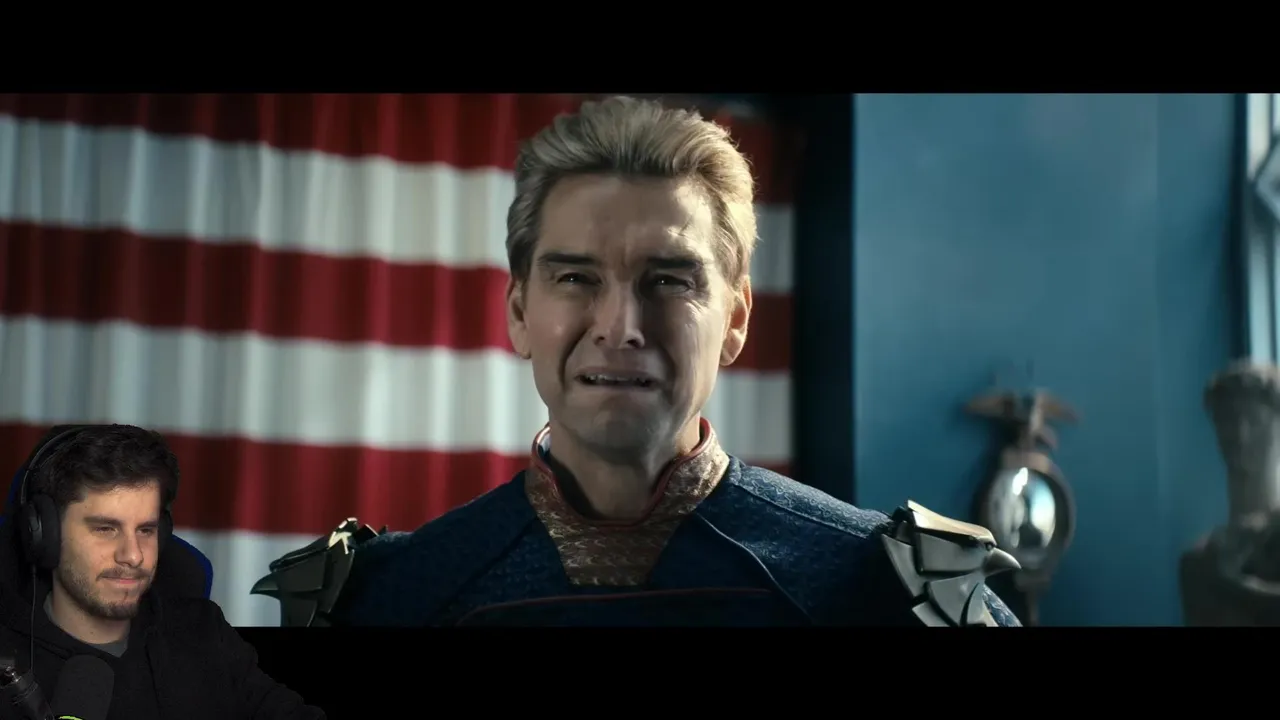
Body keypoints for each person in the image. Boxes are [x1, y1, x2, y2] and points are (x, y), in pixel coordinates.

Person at [252, 96, 1023, 627]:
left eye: (668, 280)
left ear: (736, 319)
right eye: (576, 278)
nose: (621, 327)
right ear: (519, 312)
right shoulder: (387, 598)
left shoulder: (884, 591)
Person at [0, 424, 326, 719]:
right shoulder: (9, 663)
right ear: (44, 535)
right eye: (105, 529)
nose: (133, 555)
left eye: (146, 530)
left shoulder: (203, 633)